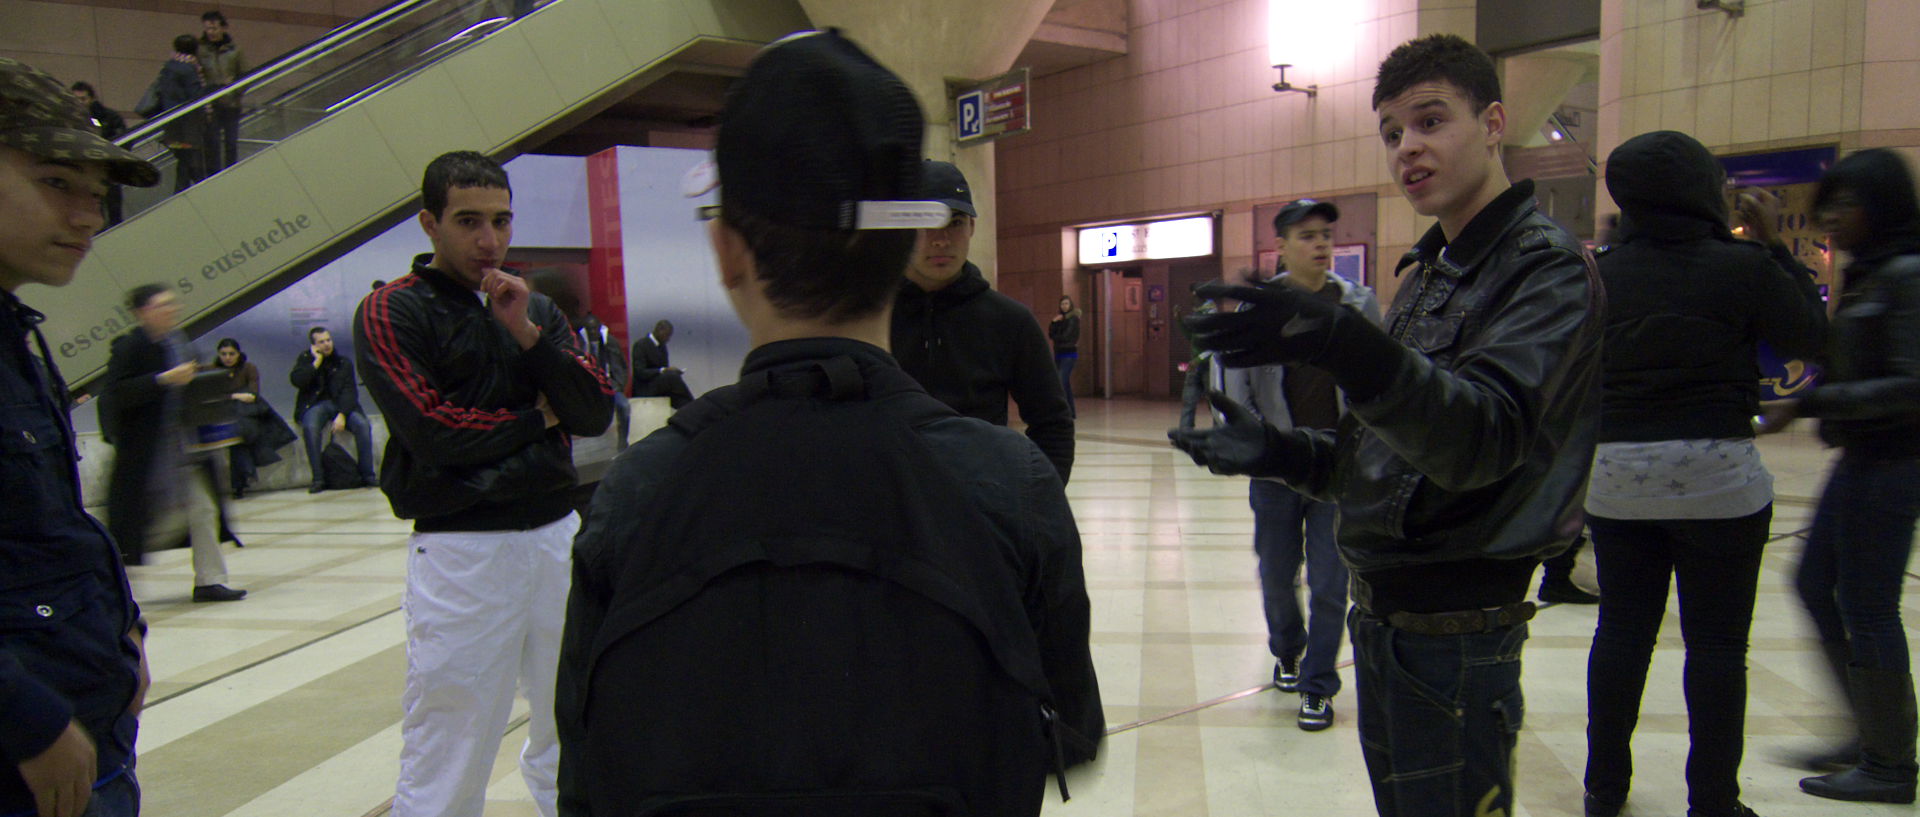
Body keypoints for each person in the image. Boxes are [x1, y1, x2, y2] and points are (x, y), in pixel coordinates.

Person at [554, 30, 1100, 817]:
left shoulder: (640, 490)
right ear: (900, 243)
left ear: (726, 249)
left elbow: (586, 773)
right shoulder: (1007, 485)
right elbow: (1068, 732)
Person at [1170, 34, 1604, 817]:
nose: (1409, 147)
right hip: (1390, 625)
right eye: (1393, 132)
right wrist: (1283, 453)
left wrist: (1347, 346)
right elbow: (1387, 455)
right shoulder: (1431, 273)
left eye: (1431, 121)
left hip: (1458, 633)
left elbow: (1481, 439)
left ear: (1495, 121)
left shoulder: (1544, 267)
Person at [354, 150, 612, 817]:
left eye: (500, 220)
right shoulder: (391, 312)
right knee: (454, 734)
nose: (489, 240)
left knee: (573, 715)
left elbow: (591, 411)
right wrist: (534, 417)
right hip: (461, 551)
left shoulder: (536, 311)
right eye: (468, 220)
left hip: (556, 535)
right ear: (428, 222)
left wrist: (525, 333)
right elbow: (434, 432)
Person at [1582, 130, 1828, 817]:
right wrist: (1777, 245)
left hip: (1618, 476)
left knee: (1622, 634)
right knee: (1718, 644)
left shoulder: (1598, 271)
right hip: (1720, 476)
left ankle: (1605, 791)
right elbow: (1812, 335)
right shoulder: (1743, 265)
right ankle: (1714, 801)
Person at [0, 56, 158, 817]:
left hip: (81, 722)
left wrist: (122, 632)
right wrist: (25, 716)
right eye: (55, 183)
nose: (88, 216)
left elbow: (46, 522)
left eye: (96, 197)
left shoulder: (16, 331)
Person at [1760, 147, 1920, 806]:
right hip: (1863, 456)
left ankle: (1889, 761)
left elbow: (1913, 385)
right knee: (1814, 581)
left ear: (1877, 206)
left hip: (1896, 460)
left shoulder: (1908, 273)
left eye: (1843, 206)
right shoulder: (1874, 270)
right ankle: (1867, 731)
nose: (1830, 220)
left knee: (1868, 605)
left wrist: (1813, 403)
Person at [1221, 198, 1380, 732]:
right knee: (1276, 574)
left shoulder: (1357, 305)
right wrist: (1249, 442)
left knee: (1332, 583)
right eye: (1307, 236)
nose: (1320, 244)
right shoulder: (1259, 309)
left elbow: (1384, 381)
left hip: (1338, 466)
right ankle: (1288, 649)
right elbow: (1235, 384)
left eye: (1325, 235)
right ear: (1282, 246)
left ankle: (1318, 685)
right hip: (1278, 467)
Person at [891, 159, 1075, 483]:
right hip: (891, 512)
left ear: (972, 227)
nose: (941, 239)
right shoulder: (869, 318)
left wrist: (1036, 507)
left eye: (955, 222)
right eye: (926, 222)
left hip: (980, 508)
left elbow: (1052, 423)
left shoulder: (1009, 321)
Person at [102, 283, 247, 602]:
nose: (170, 310)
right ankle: (117, 583)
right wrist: (162, 379)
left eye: (172, 304)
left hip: (185, 448)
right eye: (161, 306)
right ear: (142, 313)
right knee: (147, 521)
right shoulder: (130, 347)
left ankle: (210, 580)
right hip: (148, 453)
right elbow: (116, 393)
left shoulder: (179, 343)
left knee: (203, 509)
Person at [290, 326, 376, 493]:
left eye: (328, 340)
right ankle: (318, 478)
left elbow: (350, 391)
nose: (327, 344)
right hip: (316, 405)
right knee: (310, 428)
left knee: (362, 425)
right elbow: (298, 381)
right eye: (321, 342)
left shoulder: (343, 362)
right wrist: (316, 363)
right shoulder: (306, 360)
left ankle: (368, 475)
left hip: (341, 404)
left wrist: (342, 414)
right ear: (314, 345)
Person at [211, 338, 294, 498]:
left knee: (240, 433)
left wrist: (233, 396)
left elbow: (253, 395)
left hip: (251, 412)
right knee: (238, 437)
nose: (227, 357)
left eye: (231, 354)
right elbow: (215, 395)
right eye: (223, 354)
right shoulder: (214, 370)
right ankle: (241, 481)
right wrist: (236, 395)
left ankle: (239, 484)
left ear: (238, 354)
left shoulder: (248, 368)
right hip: (230, 415)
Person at [150, 34, 207, 193]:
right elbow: (196, 95)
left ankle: (185, 191)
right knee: (189, 159)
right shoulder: (189, 69)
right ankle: (195, 189)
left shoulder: (168, 67)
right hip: (187, 125)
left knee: (183, 158)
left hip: (171, 125)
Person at [68, 82, 126, 227]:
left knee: (113, 208)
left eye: (83, 99)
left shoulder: (109, 117)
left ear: (92, 98)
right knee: (93, 208)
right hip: (86, 171)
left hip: (109, 168)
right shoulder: (70, 119)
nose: (79, 103)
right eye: (76, 99)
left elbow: (124, 139)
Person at [197, 10, 247, 173]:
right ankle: (214, 175)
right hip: (211, 104)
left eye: (214, 28)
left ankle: (231, 172)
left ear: (223, 28)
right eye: (208, 29)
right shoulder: (200, 50)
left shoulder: (235, 51)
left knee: (231, 142)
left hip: (232, 103)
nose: (211, 32)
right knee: (213, 142)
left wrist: (234, 89)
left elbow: (245, 75)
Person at [574, 312, 629, 447]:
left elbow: (621, 366)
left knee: (624, 406)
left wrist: (618, 385)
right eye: (589, 329)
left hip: (610, 385)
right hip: (588, 387)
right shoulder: (580, 344)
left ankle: (623, 442)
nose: (593, 332)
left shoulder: (610, 342)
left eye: (595, 328)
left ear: (600, 327)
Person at [628, 319, 693, 409]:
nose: (668, 339)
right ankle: (693, 404)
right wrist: (662, 370)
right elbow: (639, 372)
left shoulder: (662, 347)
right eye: (667, 335)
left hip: (658, 386)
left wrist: (667, 371)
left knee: (680, 399)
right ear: (659, 330)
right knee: (672, 377)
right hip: (644, 387)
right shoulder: (641, 345)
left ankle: (692, 409)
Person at [1049, 295, 1080, 417]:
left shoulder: (1073, 319)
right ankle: (1070, 412)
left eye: (1066, 304)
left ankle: (1062, 412)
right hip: (1059, 354)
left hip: (1069, 354)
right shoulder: (1060, 319)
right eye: (1062, 304)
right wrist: (1053, 322)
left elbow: (1066, 336)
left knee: (1061, 382)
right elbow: (1051, 334)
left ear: (1070, 305)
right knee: (1065, 384)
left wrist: (1057, 337)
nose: (1064, 306)